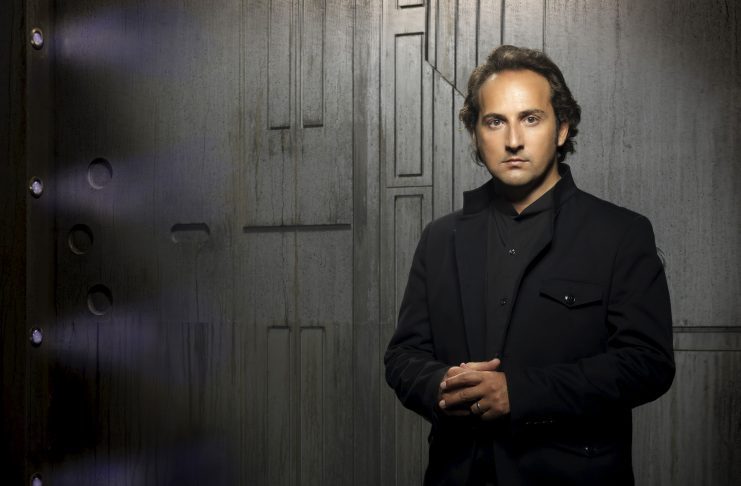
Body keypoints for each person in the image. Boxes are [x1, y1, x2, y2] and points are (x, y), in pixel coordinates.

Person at [384, 45, 675, 486]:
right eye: (495, 121)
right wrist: (442, 385)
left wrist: (519, 394)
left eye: (531, 119)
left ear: (562, 129)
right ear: (476, 133)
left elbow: (647, 363)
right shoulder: (440, 238)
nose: (513, 140)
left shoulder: (621, 233)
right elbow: (403, 356)